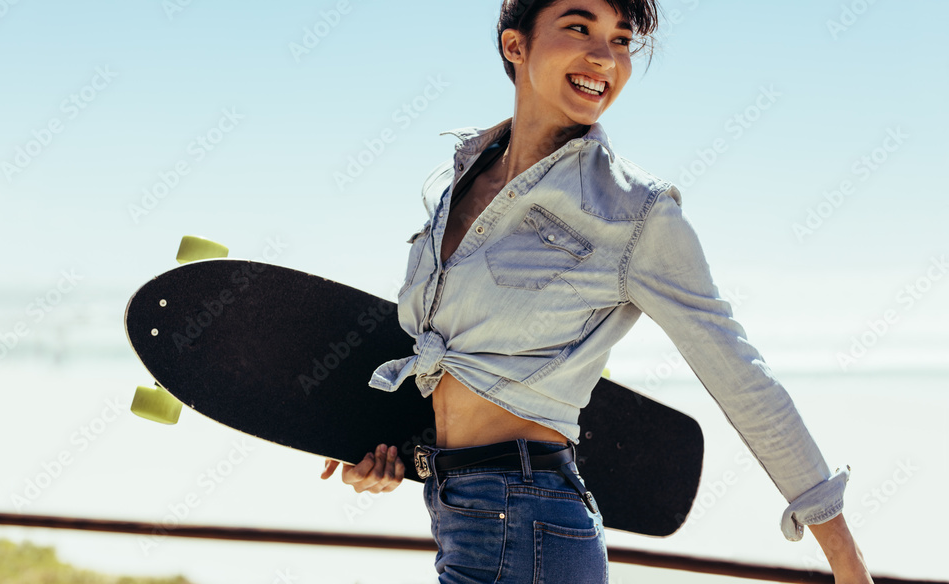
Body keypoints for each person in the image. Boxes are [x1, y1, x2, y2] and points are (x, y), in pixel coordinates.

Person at [322, 1, 874, 582]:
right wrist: (389, 450)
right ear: (516, 47)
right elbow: (452, 362)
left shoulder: (634, 212)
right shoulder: (458, 179)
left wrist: (843, 554)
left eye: (621, 40)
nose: (604, 57)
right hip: (462, 510)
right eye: (579, 28)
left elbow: (739, 373)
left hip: (532, 525)